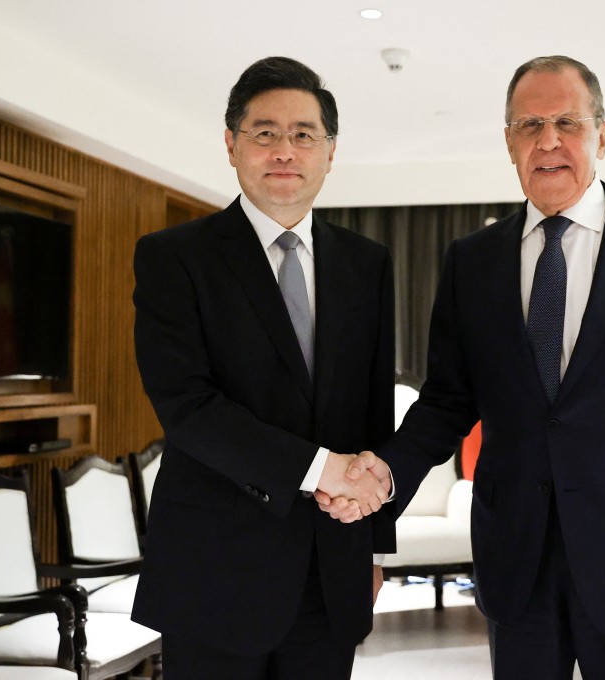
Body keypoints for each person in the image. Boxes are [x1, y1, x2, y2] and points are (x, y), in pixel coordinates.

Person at [321, 55, 605, 680]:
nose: (548, 141)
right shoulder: (472, 261)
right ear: (508, 142)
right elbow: (445, 401)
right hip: (516, 557)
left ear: (602, 135)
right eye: (529, 125)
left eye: (567, 122)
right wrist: (381, 477)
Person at [131, 56, 396, 680]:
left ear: (329, 152)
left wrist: (376, 543)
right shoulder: (174, 257)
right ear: (231, 145)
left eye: (305, 134)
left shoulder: (367, 263)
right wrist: (319, 468)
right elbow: (187, 406)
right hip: (215, 573)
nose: (286, 150)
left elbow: (370, 409)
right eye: (264, 132)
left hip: (332, 568)